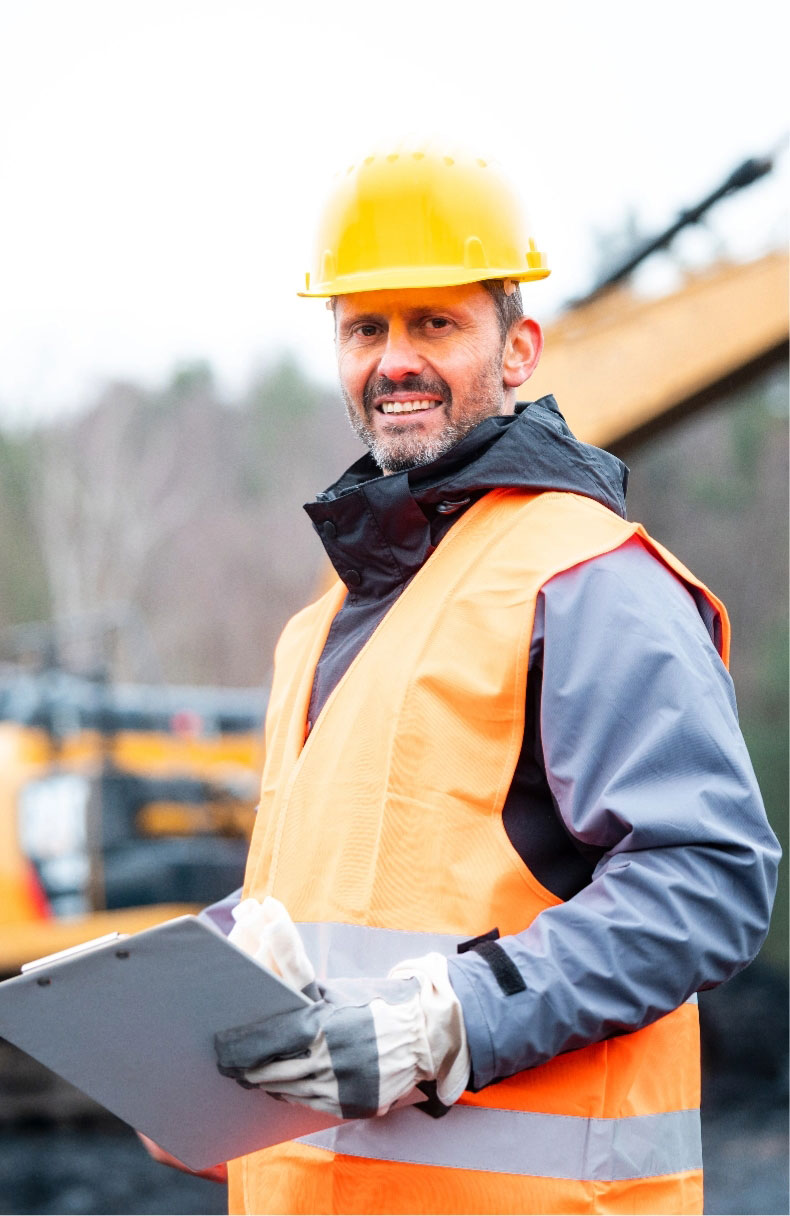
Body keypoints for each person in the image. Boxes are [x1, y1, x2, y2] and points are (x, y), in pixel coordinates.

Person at [200, 143, 779, 1215]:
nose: (394, 360)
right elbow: (344, 899)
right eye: (365, 327)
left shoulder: (585, 575)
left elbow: (709, 872)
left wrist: (455, 1016)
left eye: (435, 323)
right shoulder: (318, 628)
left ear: (518, 349)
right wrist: (192, 1030)